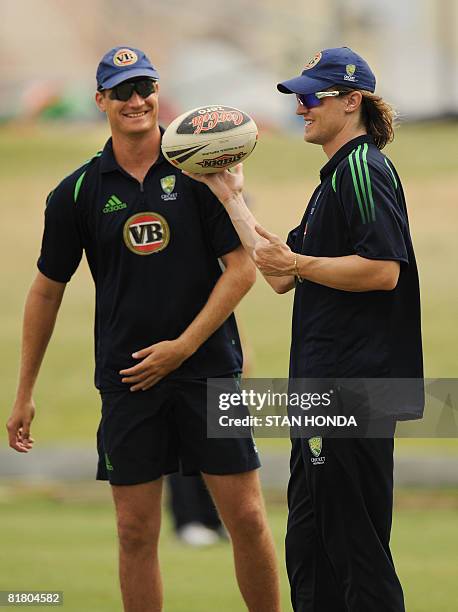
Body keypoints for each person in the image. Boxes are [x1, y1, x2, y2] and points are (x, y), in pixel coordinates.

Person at [6, 46, 281, 612]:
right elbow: (46, 290)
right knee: (135, 533)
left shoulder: (202, 172)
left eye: (145, 87)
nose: (137, 100)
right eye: (123, 90)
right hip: (129, 380)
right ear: (101, 100)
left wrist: (183, 347)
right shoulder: (76, 192)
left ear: (158, 93)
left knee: (249, 519)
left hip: (207, 372)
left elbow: (241, 270)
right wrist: (25, 390)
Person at [186, 47, 423, 612]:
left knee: (355, 555)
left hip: (354, 391)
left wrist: (300, 265)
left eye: (313, 96)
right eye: (298, 95)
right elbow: (280, 273)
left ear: (352, 101)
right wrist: (230, 195)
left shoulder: (363, 169)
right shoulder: (334, 179)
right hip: (322, 393)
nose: (301, 107)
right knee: (312, 556)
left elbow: (382, 270)